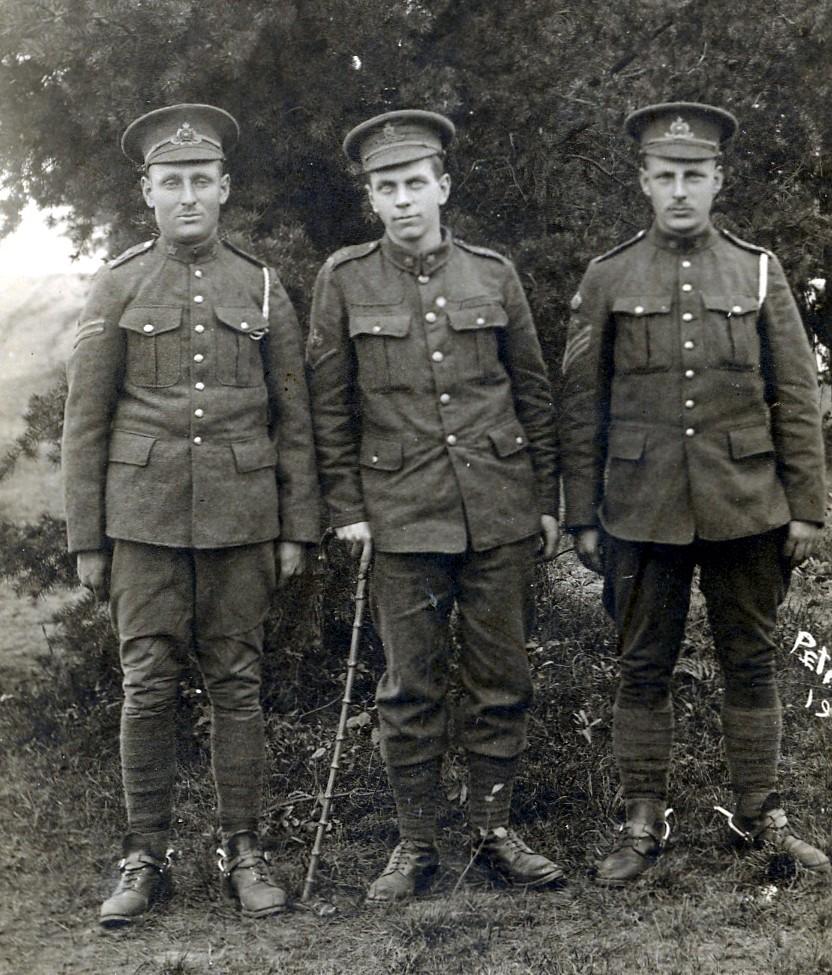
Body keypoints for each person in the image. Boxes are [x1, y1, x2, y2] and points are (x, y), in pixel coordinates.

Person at [559, 101, 831, 885]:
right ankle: (642, 817)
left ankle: (759, 812)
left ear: (718, 180)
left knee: (753, 659)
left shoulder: (755, 269)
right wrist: (583, 513)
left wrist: (805, 504)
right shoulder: (607, 275)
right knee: (641, 665)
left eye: (695, 175)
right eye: (665, 175)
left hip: (744, 501)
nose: (680, 189)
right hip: (641, 507)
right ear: (643, 182)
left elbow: (796, 392)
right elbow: (582, 403)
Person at [61, 103, 320, 924]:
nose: (187, 196)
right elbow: (85, 418)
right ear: (148, 191)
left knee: (238, 684)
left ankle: (243, 848)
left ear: (224, 187)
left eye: (200, 181)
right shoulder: (120, 281)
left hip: (242, 519)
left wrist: (296, 525)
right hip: (141, 521)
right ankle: (145, 855)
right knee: (147, 686)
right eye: (170, 182)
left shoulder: (264, 284)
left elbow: (294, 415)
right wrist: (87, 539)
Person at [307, 109, 564, 902]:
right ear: (372, 200)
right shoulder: (344, 280)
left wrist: (546, 499)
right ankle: (415, 843)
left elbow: (532, 392)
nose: (404, 199)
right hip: (400, 513)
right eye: (388, 187)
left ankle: (492, 832)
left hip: (496, 508)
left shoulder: (493, 272)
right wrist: (348, 507)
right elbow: (328, 407)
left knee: (501, 676)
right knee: (409, 686)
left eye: (417, 182)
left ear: (442, 186)